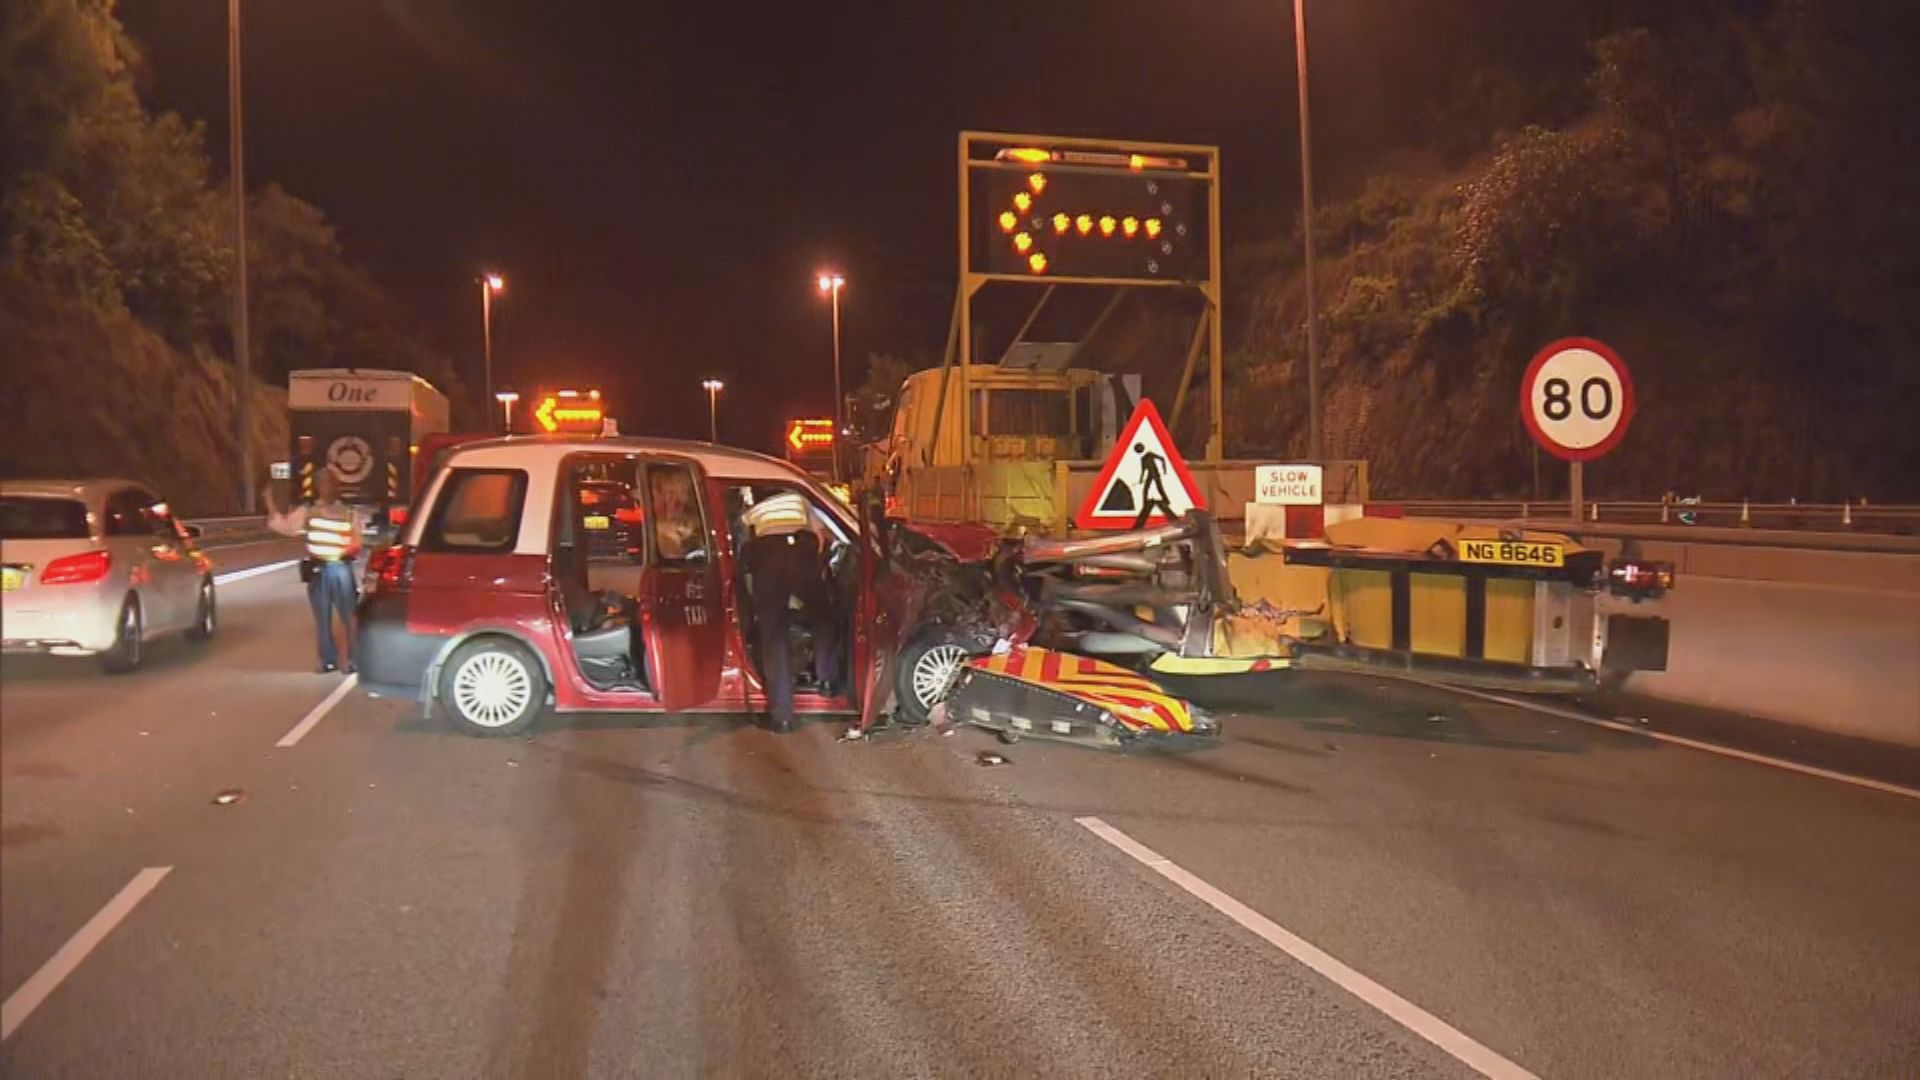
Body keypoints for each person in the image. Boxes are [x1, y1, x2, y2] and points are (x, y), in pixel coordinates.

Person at [739, 490, 825, 733]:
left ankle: (783, 716)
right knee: (825, 615)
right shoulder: (799, 496)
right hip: (799, 550)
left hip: (767, 556)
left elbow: (743, 539)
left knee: (774, 635)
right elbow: (820, 536)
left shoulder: (752, 506)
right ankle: (828, 678)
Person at [266, 471, 366, 673]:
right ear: (318, 486)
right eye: (324, 483)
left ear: (338, 486)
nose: (328, 486)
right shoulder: (309, 511)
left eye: (332, 482)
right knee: (323, 618)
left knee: (350, 617)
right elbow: (286, 527)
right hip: (319, 570)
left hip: (341, 569)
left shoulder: (348, 512)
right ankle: (328, 660)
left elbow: (358, 541)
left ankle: (353, 660)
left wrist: (348, 550)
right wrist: (269, 502)